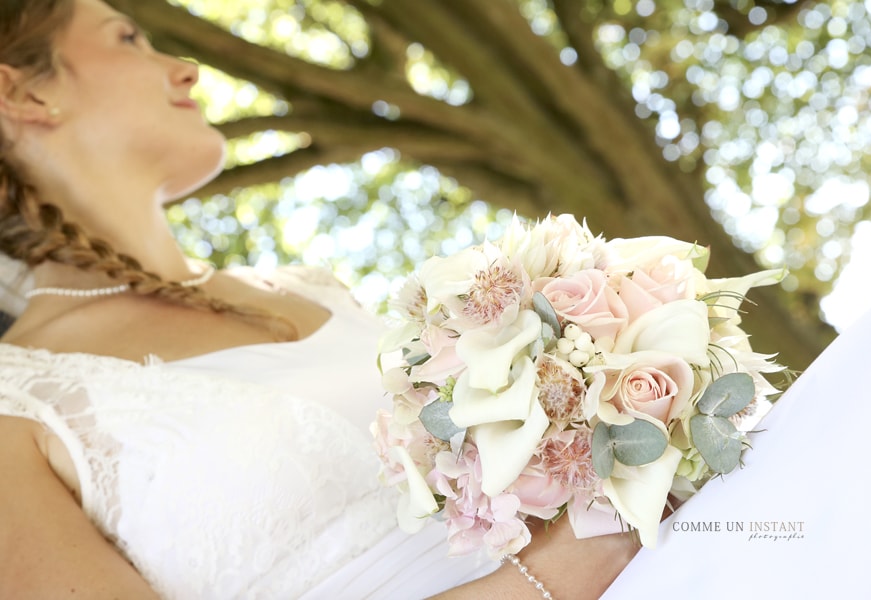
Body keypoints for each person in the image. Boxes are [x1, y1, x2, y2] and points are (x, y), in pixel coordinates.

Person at [0, 1, 636, 598]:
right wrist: (558, 574)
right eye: (129, 38)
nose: (186, 69)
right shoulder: (16, 406)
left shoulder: (308, 289)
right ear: (23, 93)